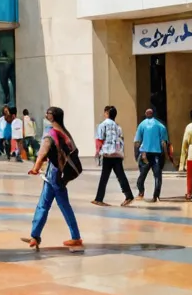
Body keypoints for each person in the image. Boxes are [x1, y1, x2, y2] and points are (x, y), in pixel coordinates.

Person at [24, 105, 83, 250]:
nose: (46, 114)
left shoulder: (51, 133)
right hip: (60, 175)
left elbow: (43, 152)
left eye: (48, 113)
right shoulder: (65, 132)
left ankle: (37, 236)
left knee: (46, 205)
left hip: (54, 174)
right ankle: (35, 236)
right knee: (57, 205)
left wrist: (35, 168)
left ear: (52, 116)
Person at [93, 105, 134, 207]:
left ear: (106, 113)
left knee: (104, 177)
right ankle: (128, 195)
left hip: (107, 154)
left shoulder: (103, 125)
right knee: (121, 176)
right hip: (117, 154)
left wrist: (97, 151)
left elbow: (99, 139)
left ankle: (99, 198)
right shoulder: (117, 126)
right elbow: (121, 140)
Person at [132, 106, 171, 202]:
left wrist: (136, 154)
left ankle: (141, 193)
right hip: (156, 154)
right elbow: (164, 143)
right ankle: (156, 196)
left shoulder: (142, 125)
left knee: (142, 176)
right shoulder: (160, 126)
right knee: (157, 176)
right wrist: (166, 155)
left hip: (145, 154)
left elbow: (137, 141)